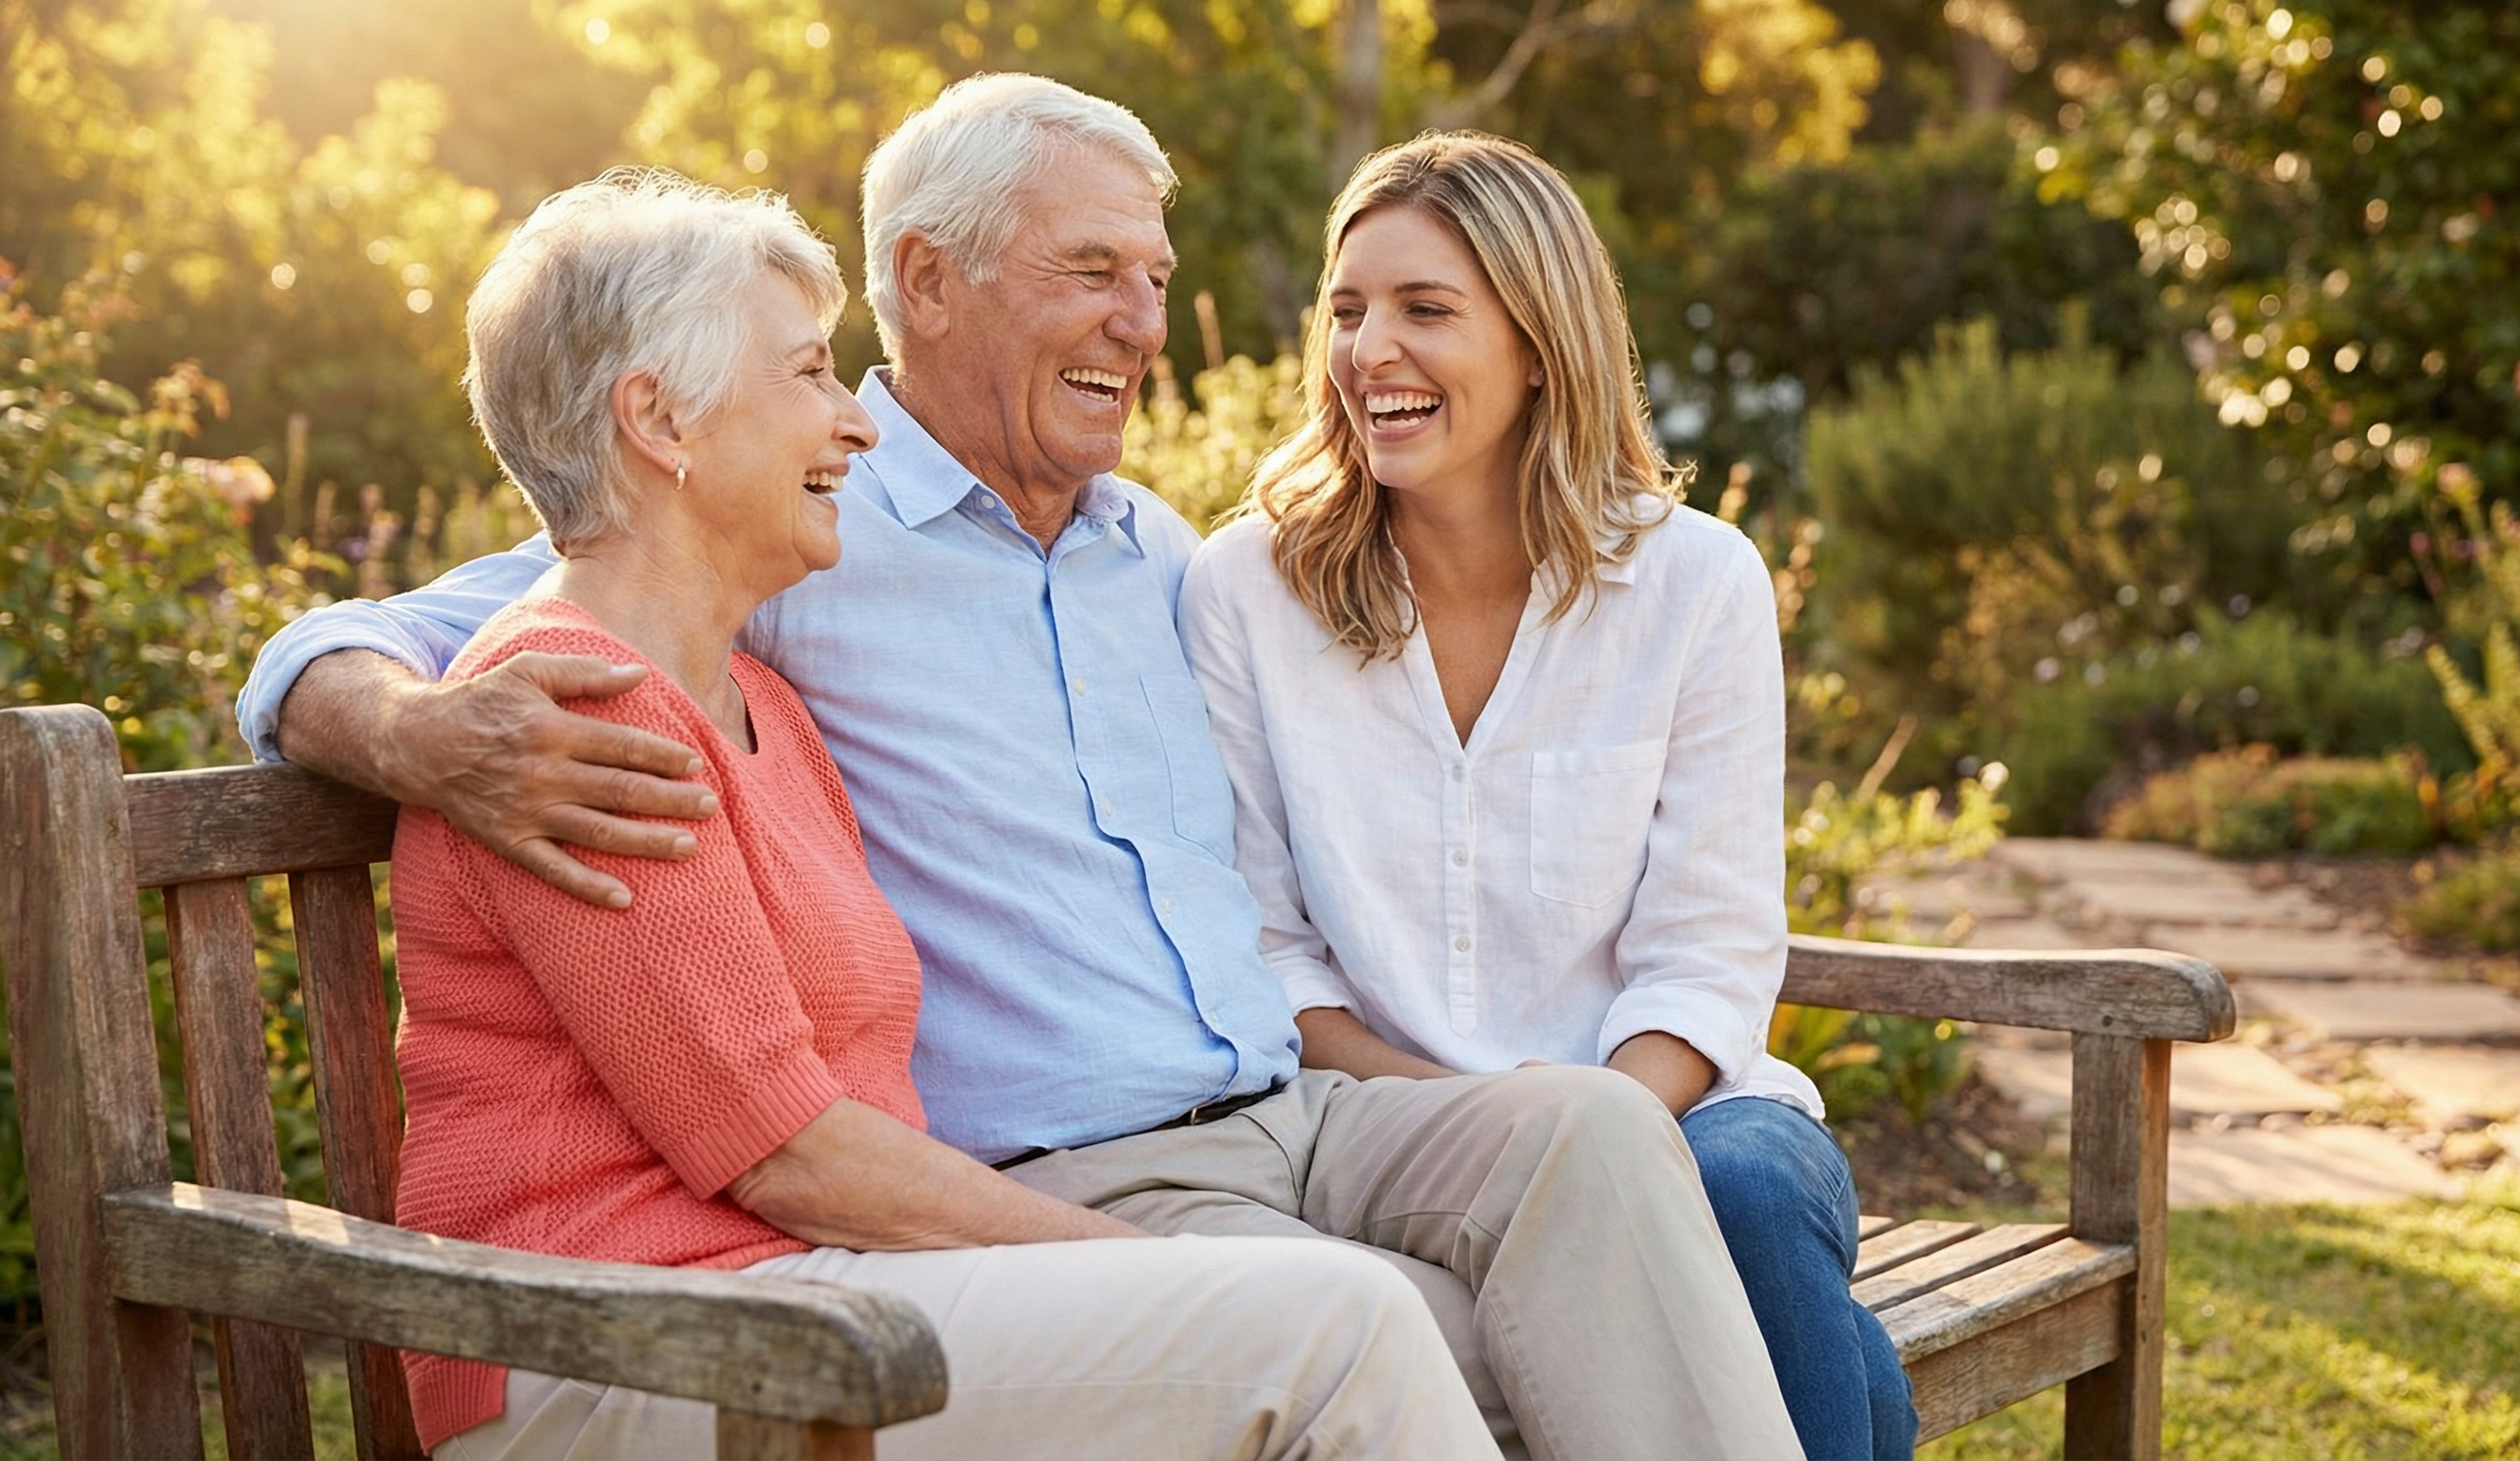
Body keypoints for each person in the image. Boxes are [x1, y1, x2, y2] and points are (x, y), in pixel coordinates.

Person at [237, 76, 1806, 1461]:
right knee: (1452, 1336)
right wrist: (411, 730)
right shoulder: (782, 538)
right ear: (928, 280)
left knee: (1599, 1140)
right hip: (1085, 1174)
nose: (1145, 321)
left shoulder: (1169, 560)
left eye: (1157, 278)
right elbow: (468, 610)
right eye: (1093, 272)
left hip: (1302, 1109)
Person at [392, 167, 1499, 1461]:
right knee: (1336, 1329)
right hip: (625, 1344)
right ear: (659, 421)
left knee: (1376, 1321)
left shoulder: (763, 702)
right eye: (808, 376)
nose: (854, 429)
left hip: (818, 1302)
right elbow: (780, 1149)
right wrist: (1126, 1262)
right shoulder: (580, 715)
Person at [1176, 132, 1920, 1461]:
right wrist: (1489, 1130)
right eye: (1347, 312)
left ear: (1539, 344)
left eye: (1425, 310)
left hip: (1684, 1112)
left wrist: (1588, 1140)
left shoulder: (1698, 584)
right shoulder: (1247, 591)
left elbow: (1708, 948)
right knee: (1839, 1365)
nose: (1368, 352)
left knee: (1744, 1202)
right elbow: (1266, 947)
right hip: (1387, 1127)